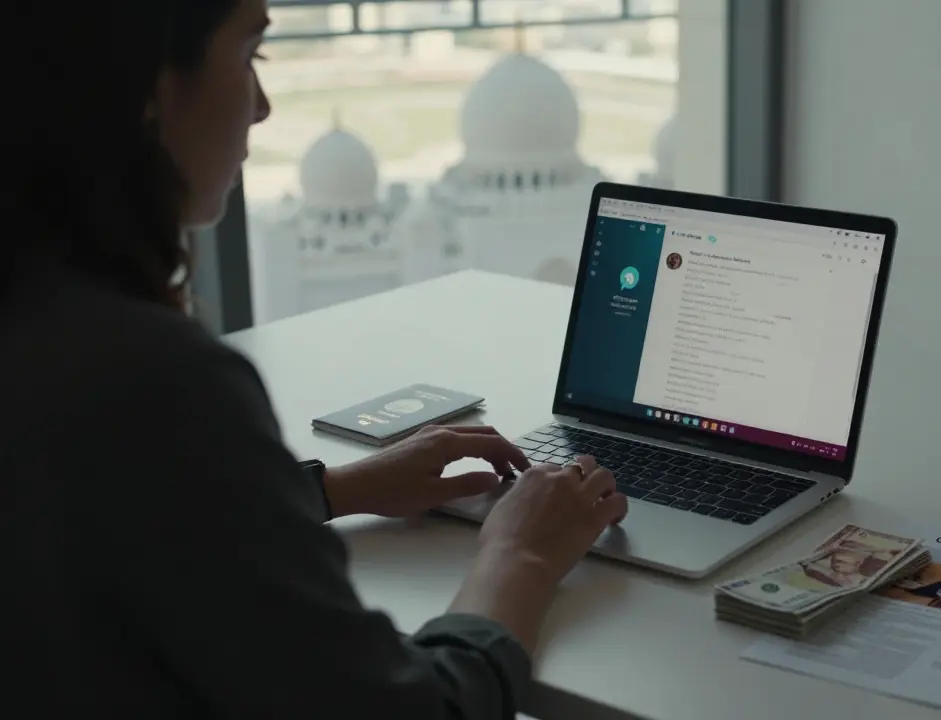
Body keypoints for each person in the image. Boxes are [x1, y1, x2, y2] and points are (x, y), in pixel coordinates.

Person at [0, 1, 626, 717]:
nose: (263, 106)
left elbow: (119, 506)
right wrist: (520, 553)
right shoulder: (157, 382)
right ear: (145, 87)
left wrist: (335, 489)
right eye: (249, 56)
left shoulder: (45, 328)